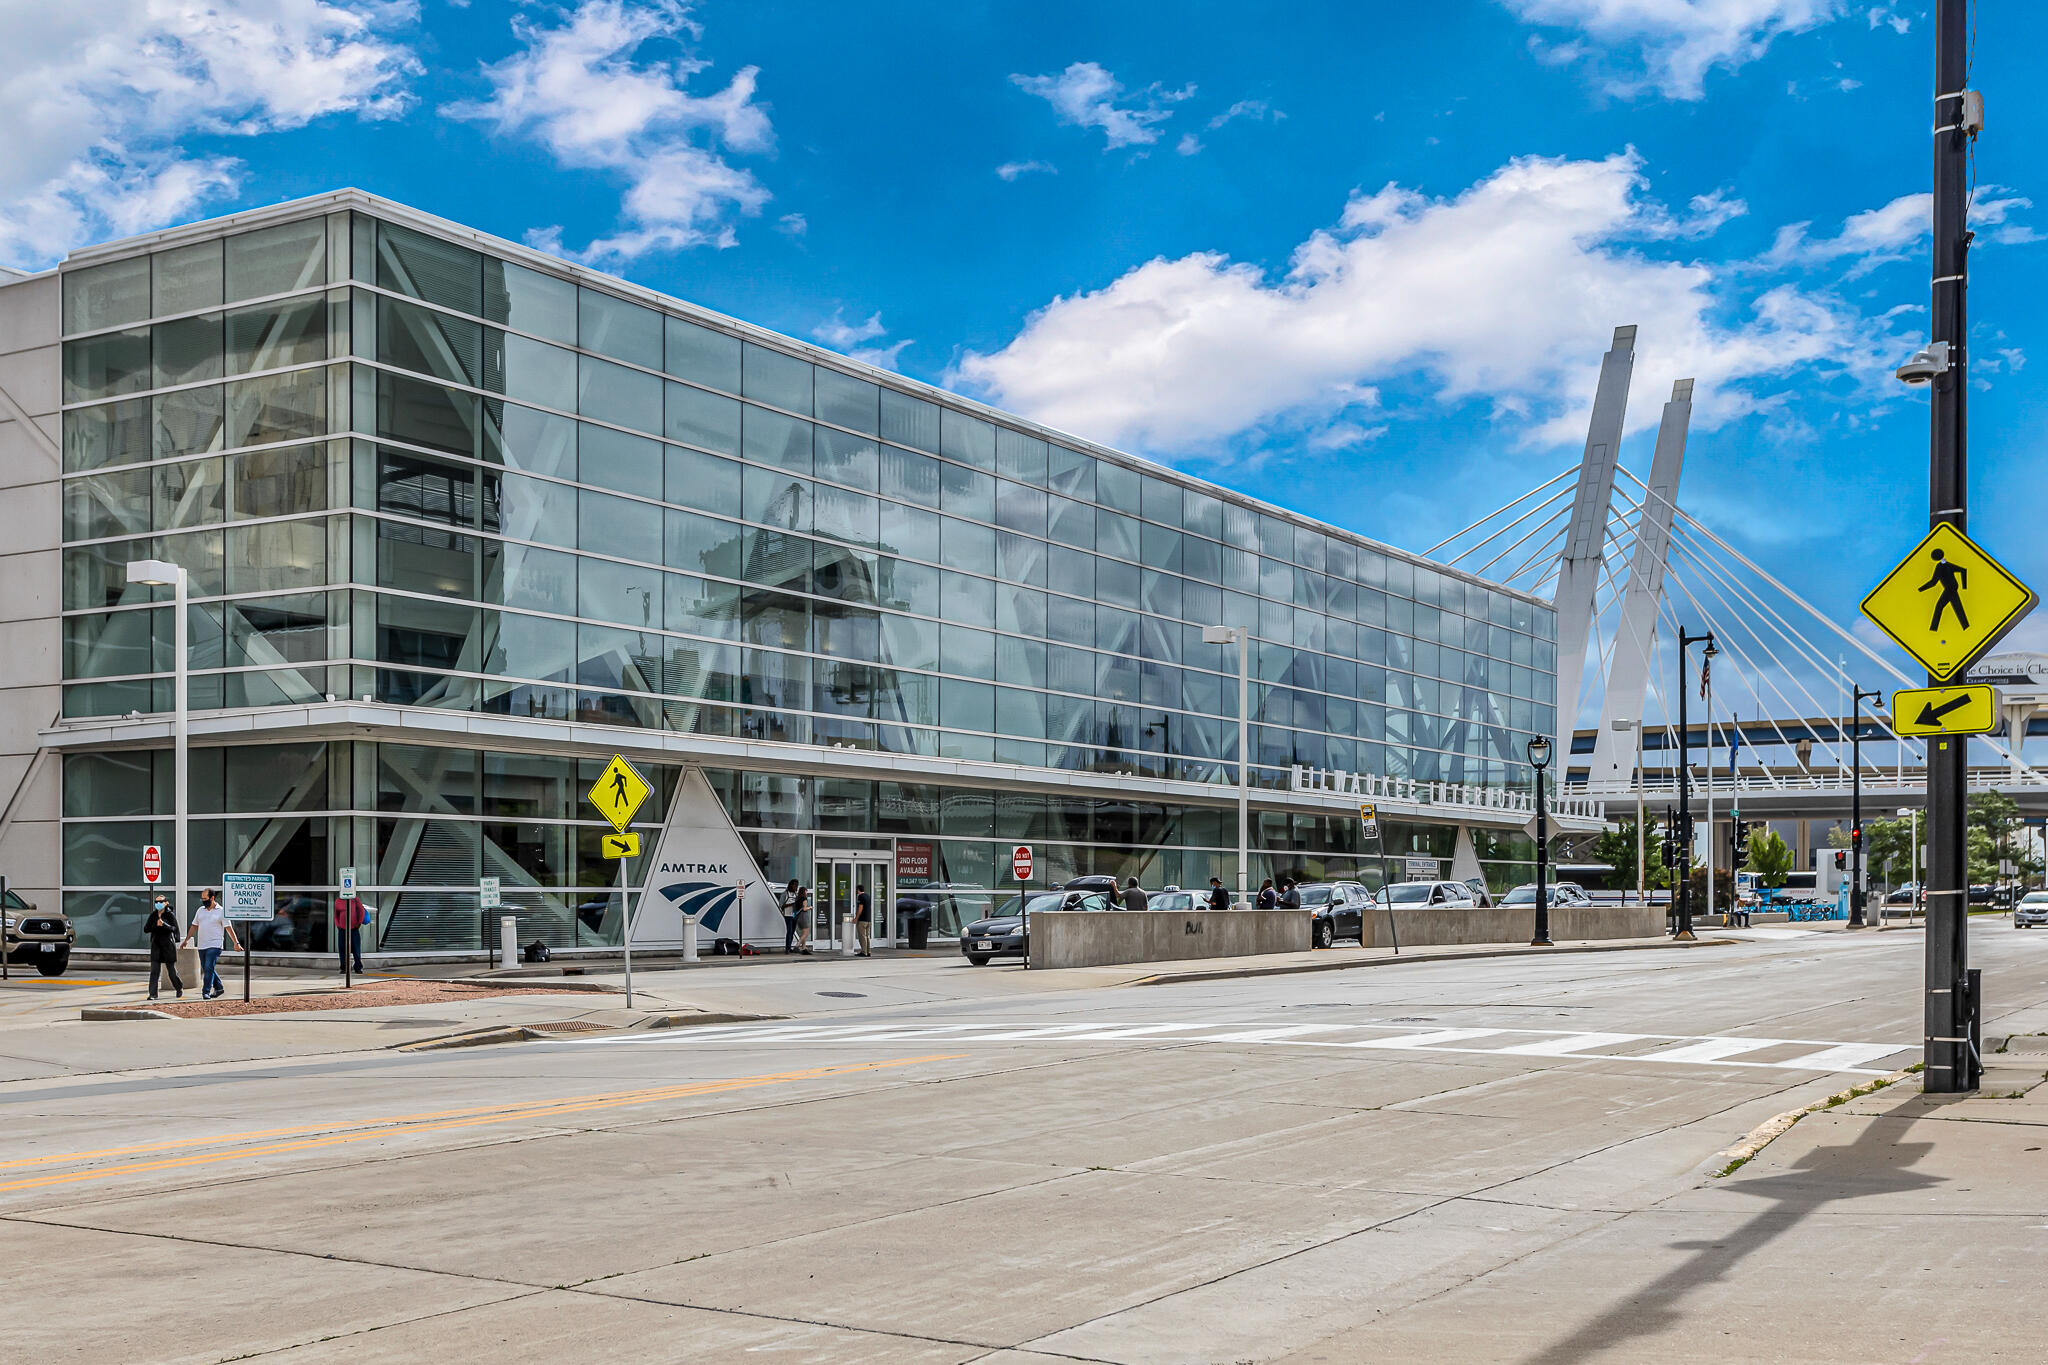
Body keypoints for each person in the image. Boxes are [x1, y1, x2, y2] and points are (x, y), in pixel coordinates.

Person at [182, 889, 240, 1000]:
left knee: (208, 967)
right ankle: (219, 988)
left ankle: (206, 992)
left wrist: (236, 943)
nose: (203, 901)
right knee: (208, 968)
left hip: (215, 944)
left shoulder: (221, 911)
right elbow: (194, 926)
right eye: (202, 898)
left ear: (212, 898)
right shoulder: (200, 910)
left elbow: (229, 928)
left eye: (205, 898)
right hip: (202, 945)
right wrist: (186, 940)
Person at [144, 894, 184, 1000]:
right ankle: (153, 994)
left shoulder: (170, 915)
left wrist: (164, 925)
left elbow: (174, 929)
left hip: (168, 946)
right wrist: (156, 925)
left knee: (171, 971)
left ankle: (179, 987)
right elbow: (146, 929)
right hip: (156, 946)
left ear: (166, 903)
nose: (158, 904)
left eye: (161, 902)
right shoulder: (153, 915)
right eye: (156, 902)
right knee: (154, 972)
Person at [333, 891, 368, 973]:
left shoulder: (355, 900)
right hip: (342, 929)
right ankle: (344, 967)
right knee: (342, 949)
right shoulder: (338, 900)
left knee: (356, 949)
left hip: (353, 928)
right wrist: (338, 925)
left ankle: (358, 967)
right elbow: (336, 914)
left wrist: (359, 922)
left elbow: (361, 911)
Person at [782, 879, 806, 953]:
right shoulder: (785, 894)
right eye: (795, 885)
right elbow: (781, 906)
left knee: (792, 932)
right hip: (787, 915)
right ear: (791, 885)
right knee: (789, 931)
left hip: (795, 915)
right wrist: (792, 904)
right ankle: (787, 949)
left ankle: (789, 947)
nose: (796, 887)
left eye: (797, 886)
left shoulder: (796, 895)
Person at [853, 883, 872, 956]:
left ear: (858, 890)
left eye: (856, 890)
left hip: (862, 920)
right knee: (867, 936)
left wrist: (856, 918)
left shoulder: (860, 897)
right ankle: (868, 951)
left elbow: (860, 908)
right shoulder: (868, 896)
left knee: (862, 937)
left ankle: (864, 952)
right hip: (868, 920)